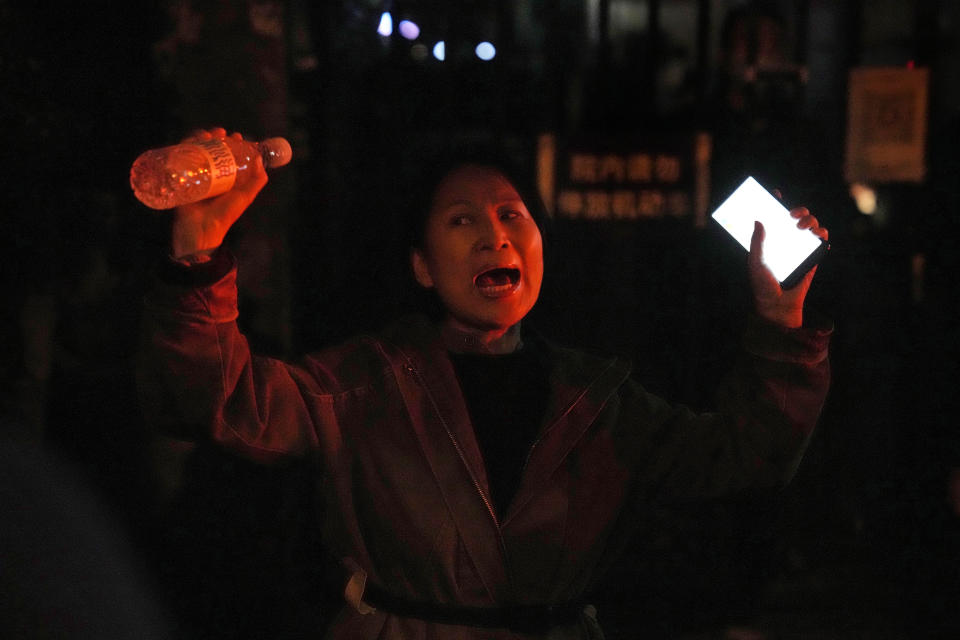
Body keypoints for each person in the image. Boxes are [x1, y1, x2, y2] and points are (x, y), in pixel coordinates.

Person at [138, 128, 831, 639]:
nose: (494, 237)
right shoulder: (359, 384)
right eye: (462, 221)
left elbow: (745, 458)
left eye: (511, 217)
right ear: (421, 267)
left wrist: (781, 323)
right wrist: (197, 255)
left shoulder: (597, 400)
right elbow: (217, 399)